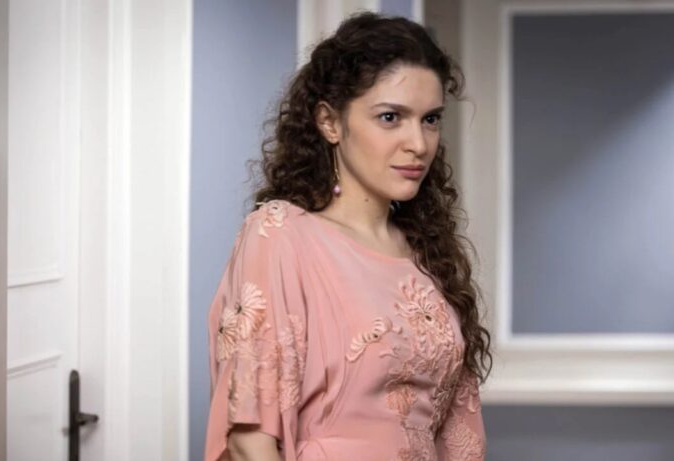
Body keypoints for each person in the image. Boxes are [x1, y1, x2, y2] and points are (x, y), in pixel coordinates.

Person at [204, 11, 493, 461]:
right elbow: (249, 439)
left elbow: (460, 438)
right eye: (391, 117)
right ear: (330, 122)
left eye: (430, 119)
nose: (419, 144)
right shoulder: (280, 235)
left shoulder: (430, 255)